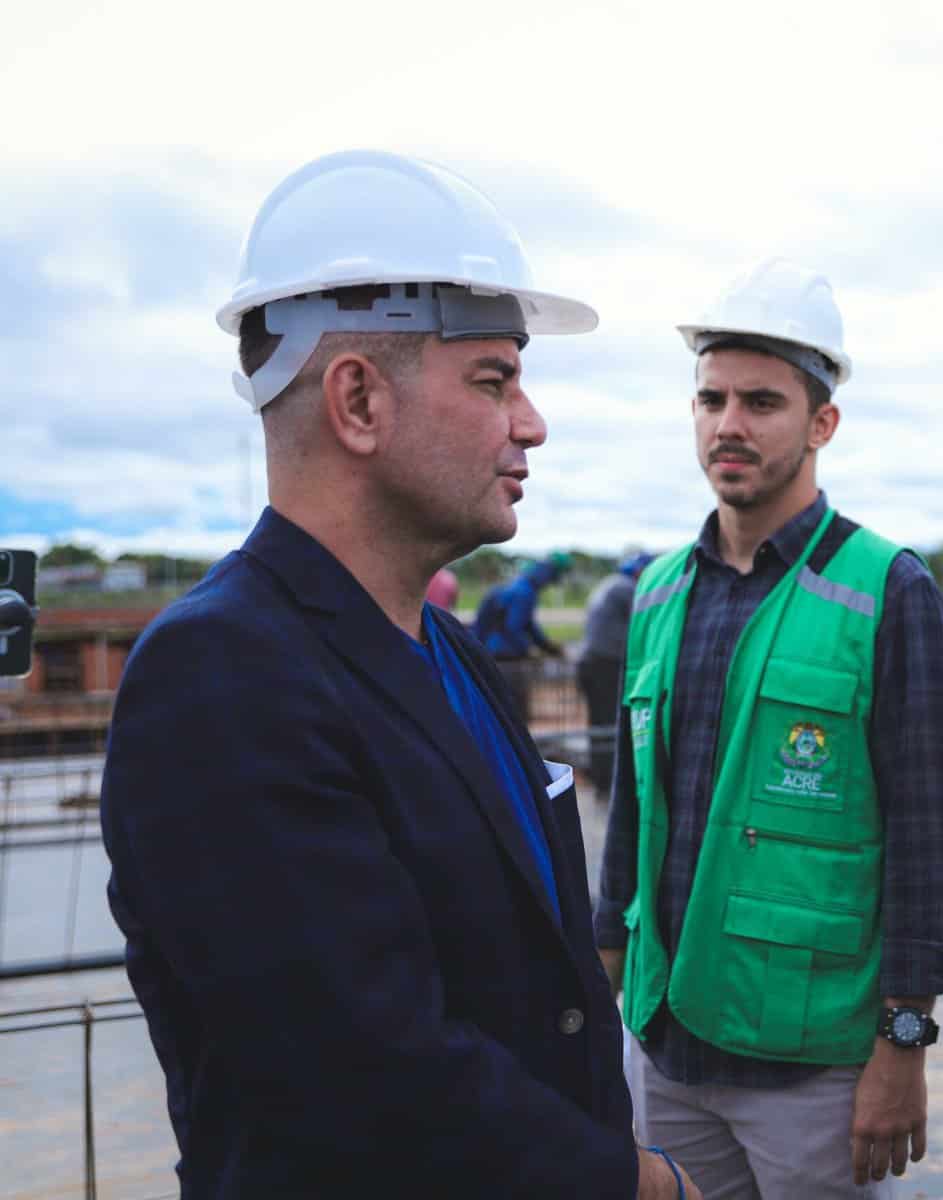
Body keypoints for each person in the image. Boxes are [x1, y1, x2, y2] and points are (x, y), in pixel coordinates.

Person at [99, 150, 695, 1200]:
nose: (532, 422)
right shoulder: (221, 678)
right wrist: (639, 1186)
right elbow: (365, 1082)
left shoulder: (445, 646)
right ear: (359, 401)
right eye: (494, 378)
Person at [594, 257, 943, 1199]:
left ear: (822, 423)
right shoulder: (657, 593)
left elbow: (933, 840)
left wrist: (903, 1046)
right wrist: (592, 1007)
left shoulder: (888, 589)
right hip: (666, 1049)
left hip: (810, 1065)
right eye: (711, 398)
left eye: (761, 401)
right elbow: (631, 825)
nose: (729, 423)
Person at [578, 551, 652, 782]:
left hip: (591, 661)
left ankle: (601, 776)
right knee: (610, 723)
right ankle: (608, 779)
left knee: (599, 721)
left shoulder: (610, 584)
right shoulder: (627, 589)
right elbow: (646, 624)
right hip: (606, 664)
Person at [474, 551, 571, 717]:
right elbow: (513, 627)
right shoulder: (524, 593)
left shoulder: (522, 587)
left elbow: (528, 625)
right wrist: (529, 650)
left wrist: (546, 645)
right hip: (503, 654)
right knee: (513, 709)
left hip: (498, 651)